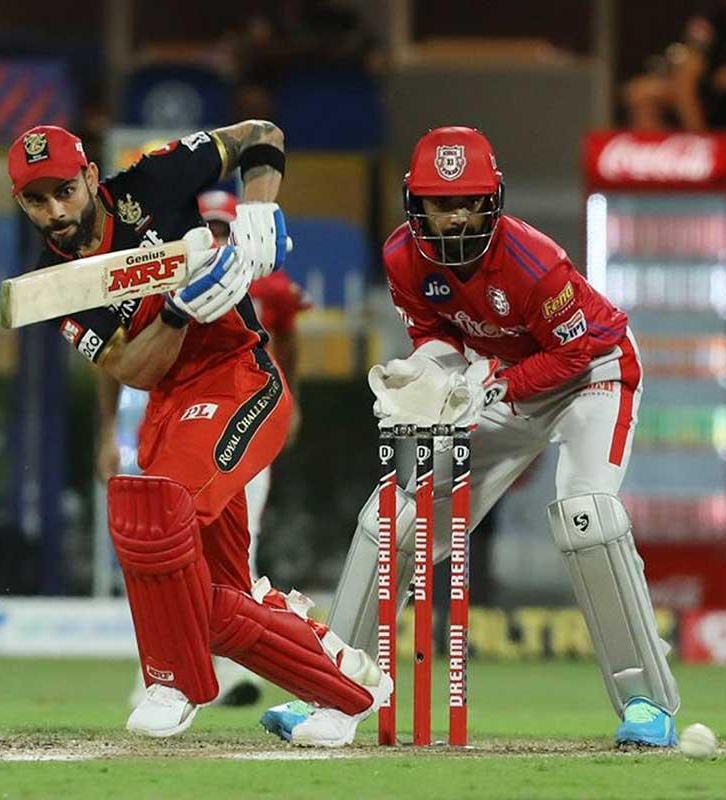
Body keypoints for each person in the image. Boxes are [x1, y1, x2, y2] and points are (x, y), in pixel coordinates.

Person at [261, 126, 680, 748]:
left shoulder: (537, 264)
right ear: (415, 204)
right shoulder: (402, 257)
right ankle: (331, 691)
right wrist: (424, 375)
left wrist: (486, 389)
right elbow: (439, 339)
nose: (456, 217)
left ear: (493, 201)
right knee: (394, 520)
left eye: (469, 202)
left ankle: (649, 702)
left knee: (586, 513)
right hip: (503, 381)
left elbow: (569, 355)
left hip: (593, 372)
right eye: (441, 203)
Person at [8, 120, 389, 743]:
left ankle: (174, 682)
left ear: (90, 178)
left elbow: (263, 136)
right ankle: (344, 688)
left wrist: (260, 212)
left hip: (241, 378)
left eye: (63, 192)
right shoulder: (51, 280)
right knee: (216, 599)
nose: (54, 212)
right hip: (169, 406)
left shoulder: (153, 180)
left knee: (154, 512)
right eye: (36, 200)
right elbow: (138, 367)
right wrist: (183, 310)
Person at [199, 189, 313, 577]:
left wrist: (292, 400)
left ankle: (238, 601)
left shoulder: (268, 283)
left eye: (221, 228)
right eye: (206, 228)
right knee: (193, 521)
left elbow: (288, 337)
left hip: (252, 408)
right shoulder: (177, 280)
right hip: (195, 410)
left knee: (246, 522)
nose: (214, 237)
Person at [623, 0, 726, 131]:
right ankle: (674, 156)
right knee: (640, 93)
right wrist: (698, 133)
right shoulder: (711, 15)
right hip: (708, 92)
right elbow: (687, 74)